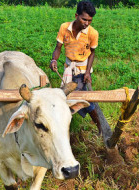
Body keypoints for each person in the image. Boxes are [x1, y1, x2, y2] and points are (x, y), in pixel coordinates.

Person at [49, 1, 103, 134]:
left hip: (82, 68)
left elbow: (92, 53)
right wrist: (54, 60)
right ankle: (67, 126)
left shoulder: (92, 33)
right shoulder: (64, 28)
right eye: (84, 19)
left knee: (80, 96)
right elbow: (58, 48)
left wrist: (87, 73)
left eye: (90, 20)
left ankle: (100, 126)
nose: (86, 23)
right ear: (76, 15)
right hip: (68, 66)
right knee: (69, 96)